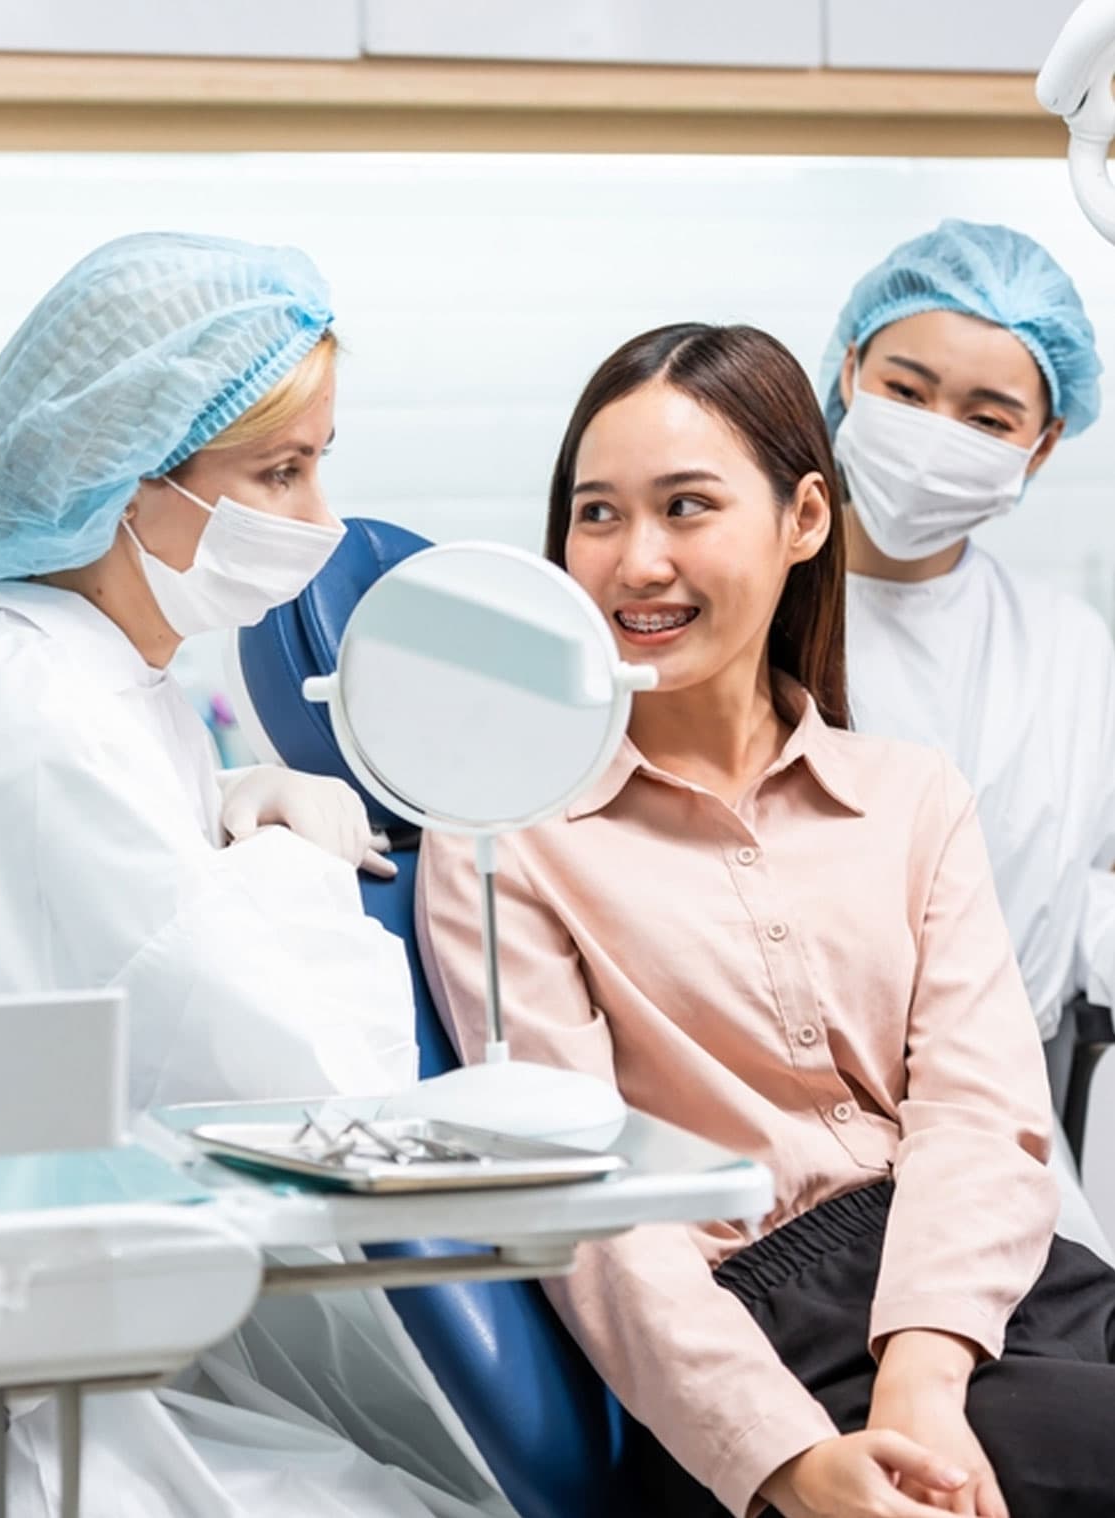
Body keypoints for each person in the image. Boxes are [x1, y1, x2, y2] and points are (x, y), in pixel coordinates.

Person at [418, 322, 1115, 1518]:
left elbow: (981, 1118)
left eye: (686, 506)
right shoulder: (503, 835)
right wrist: (787, 1461)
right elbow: (587, 1213)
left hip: (1000, 1285)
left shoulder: (911, 797)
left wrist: (923, 1376)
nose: (637, 561)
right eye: (597, 514)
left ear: (804, 518)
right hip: (763, 1342)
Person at [0, 232, 508, 1518]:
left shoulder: (104, 675)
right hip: (40, 1401)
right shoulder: (39, 703)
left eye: (321, 463)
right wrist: (290, 862)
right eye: (281, 471)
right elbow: (298, 1074)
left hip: (92, 1340)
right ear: (127, 474)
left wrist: (224, 806)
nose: (322, 522)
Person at [822, 220, 1113, 1259]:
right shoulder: (741, 616)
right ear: (849, 371)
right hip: (784, 1128)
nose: (937, 434)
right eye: (906, 391)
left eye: (988, 418)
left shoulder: (1068, 648)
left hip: (1001, 1136)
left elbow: (1083, 895)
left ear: (1042, 443)